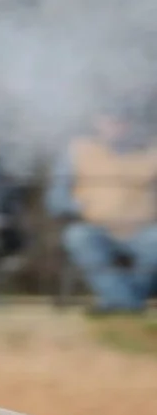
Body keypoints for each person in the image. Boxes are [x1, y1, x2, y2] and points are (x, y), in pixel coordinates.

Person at [50, 108, 157, 314]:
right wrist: (76, 205)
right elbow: (56, 197)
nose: (117, 127)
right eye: (110, 120)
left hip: (142, 230)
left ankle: (122, 302)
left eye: (123, 121)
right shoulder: (78, 150)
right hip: (96, 227)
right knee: (77, 237)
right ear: (97, 122)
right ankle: (128, 303)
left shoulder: (150, 151)